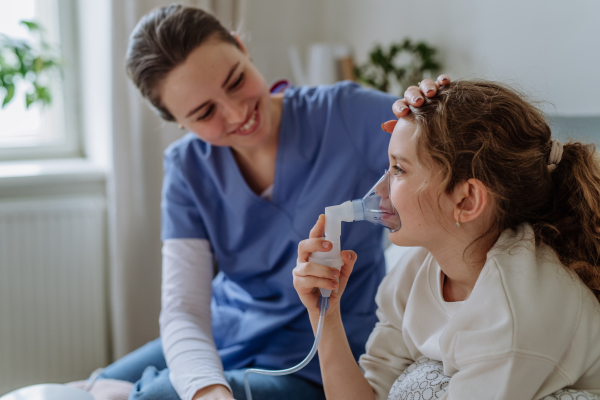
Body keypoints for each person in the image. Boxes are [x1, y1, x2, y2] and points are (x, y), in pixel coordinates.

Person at [98, 4, 449, 400]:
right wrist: (207, 389)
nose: (237, 113)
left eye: (235, 81)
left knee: (149, 395)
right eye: (204, 112)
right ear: (179, 122)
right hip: (226, 329)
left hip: (316, 355)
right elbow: (184, 312)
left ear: (241, 47)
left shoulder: (346, 115)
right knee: (88, 386)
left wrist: (437, 112)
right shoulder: (187, 169)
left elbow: (456, 153)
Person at [294, 80, 600, 399]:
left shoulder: (512, 316)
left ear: (466, 201)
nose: (379, 190)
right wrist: (325, 316)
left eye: (399, 169)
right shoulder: (414, 272)